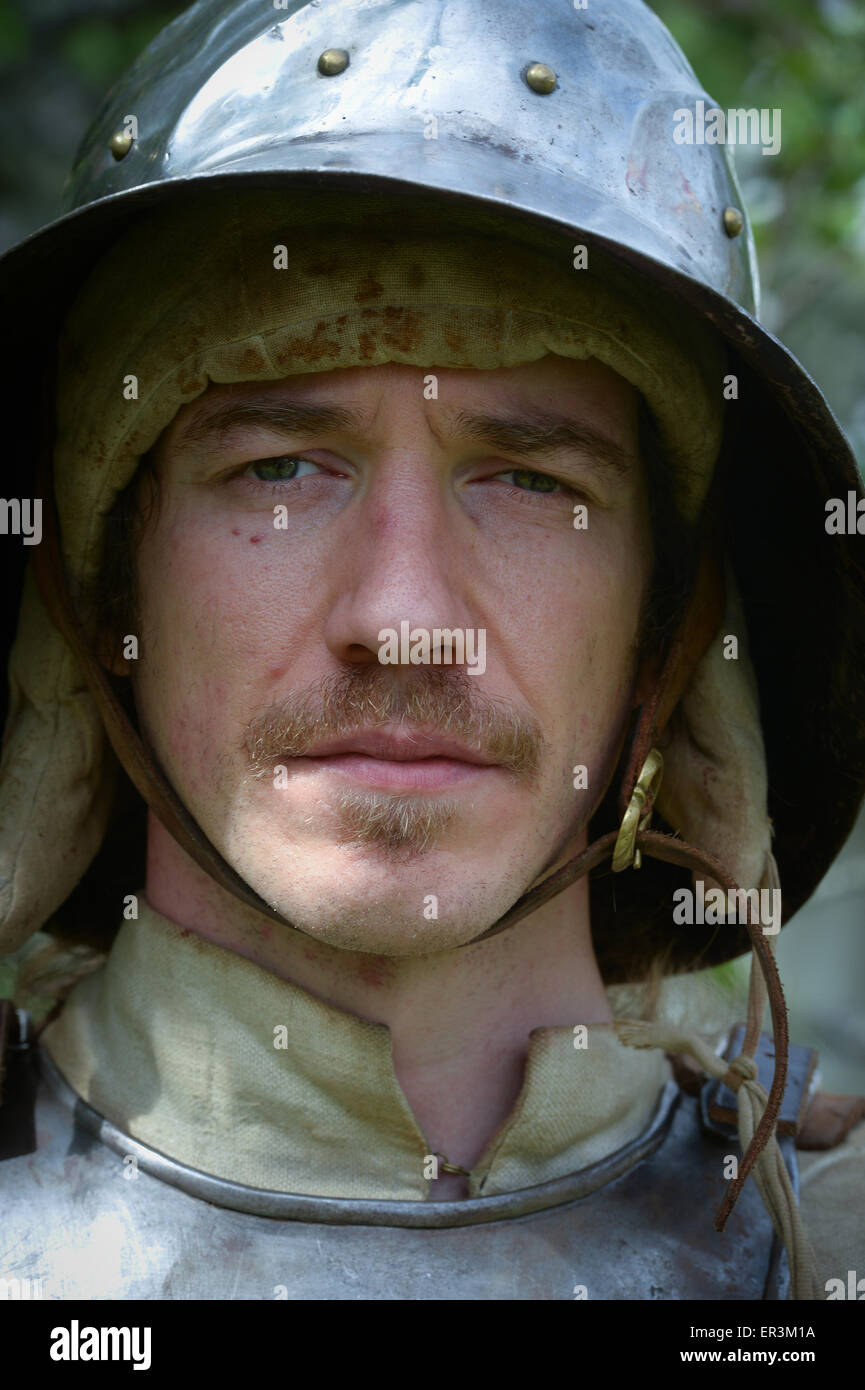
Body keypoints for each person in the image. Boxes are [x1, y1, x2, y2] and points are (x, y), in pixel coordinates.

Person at [0, 0, 863, 1302]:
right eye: (278, 466)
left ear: (669, 623)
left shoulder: (830, 1252)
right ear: (102, 579)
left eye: (525, 479)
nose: (403, 614)